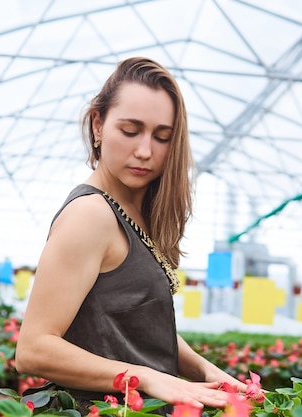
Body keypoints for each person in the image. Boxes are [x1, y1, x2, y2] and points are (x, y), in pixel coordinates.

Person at [14, 57, 246, 414]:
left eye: (162, 137)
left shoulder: (134, 213)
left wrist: (202, 369)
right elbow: (33, 349)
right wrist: (146, 378)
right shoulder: (91, 215)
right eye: (130, 131)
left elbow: (131, 323)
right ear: (98, 125)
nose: (145, 151)